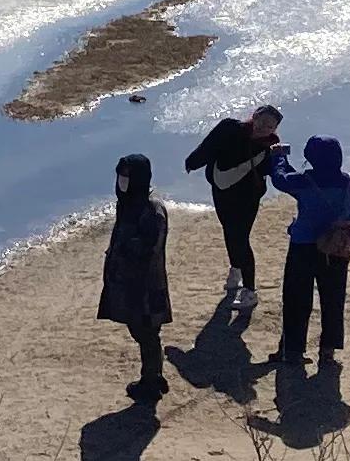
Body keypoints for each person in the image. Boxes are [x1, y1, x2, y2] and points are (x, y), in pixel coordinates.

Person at [266, 132, 350, 365]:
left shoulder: (305, 181)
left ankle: (292, 351)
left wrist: (278, 157)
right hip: (336, 248)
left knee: (296, 299)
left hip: (303, 246)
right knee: (333, 298)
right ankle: (328, 350)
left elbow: (281, 179)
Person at [182, 102, 284, 305]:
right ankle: (235, 269)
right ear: (254, 116)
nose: (263, 128)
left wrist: (281, 160)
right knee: (228, 231)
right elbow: (208, 147)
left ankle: (249, 290)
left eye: (270, 126)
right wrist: (192, 162)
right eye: (261, 121)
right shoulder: (230, 128)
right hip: (221, 191)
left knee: (240, 238)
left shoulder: (270, 146)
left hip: (247, 199)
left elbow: (271, 172)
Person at [96, 152, 172, 398]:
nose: (122, 181)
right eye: (120, 176)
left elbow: (148, 248)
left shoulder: (151, 210)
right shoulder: (129, 203)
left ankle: (150, 382)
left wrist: (126, 251)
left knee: (146, 332)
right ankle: (155, 375)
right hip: (129, 283)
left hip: (145, 286)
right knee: (143, 332)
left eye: (127, 176)